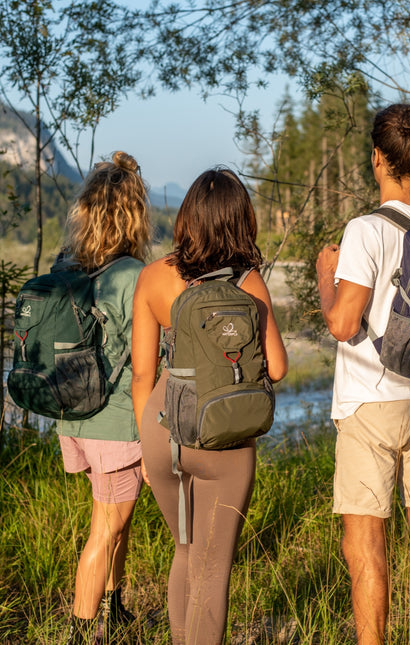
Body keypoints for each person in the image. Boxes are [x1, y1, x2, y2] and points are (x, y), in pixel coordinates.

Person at [316, 103, 410, 645]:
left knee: (365, 544)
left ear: (378, 157)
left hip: (369, 403)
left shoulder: (365, 230)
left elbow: (342, 322)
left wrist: (325, 275)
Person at [131, 167, 288, 645]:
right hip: (223, 434)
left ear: (187, 218)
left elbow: (141, 373)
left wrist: (144, 445)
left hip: (163, 428)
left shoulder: (154, 275)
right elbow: (277, 369)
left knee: (186, 552)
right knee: (212, 570)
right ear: (241, 221)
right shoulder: (249, 282)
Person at [59, 151, 151, 644]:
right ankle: (79, 631)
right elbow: (148, 361)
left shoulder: (68, 267)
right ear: (134, 212)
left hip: (75, 413)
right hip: (115, 421)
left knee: (118, 517)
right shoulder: (135, 275)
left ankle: (116, 610)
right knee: (105, 527)